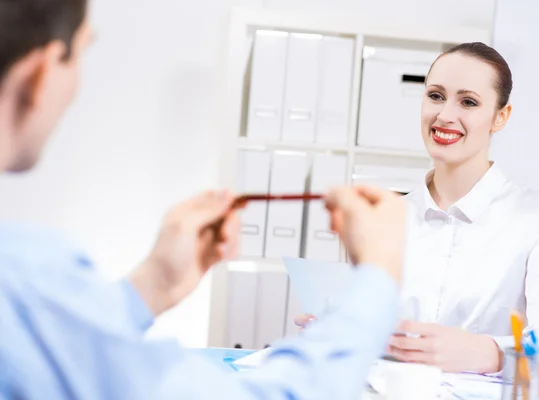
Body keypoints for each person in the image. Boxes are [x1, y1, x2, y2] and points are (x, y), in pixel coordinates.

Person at [0, 1, 409, 399]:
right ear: (41, 73)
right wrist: (378, 275)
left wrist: (152, 286)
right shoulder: (24, 277)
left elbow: (53, 354)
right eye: (81, 54)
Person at [296, 42, 539, 374]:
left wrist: (491, 353)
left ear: (500, 117)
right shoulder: (389, 216)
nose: (445, 115)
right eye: (435, 96)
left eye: (468, 102)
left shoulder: (538, 220)